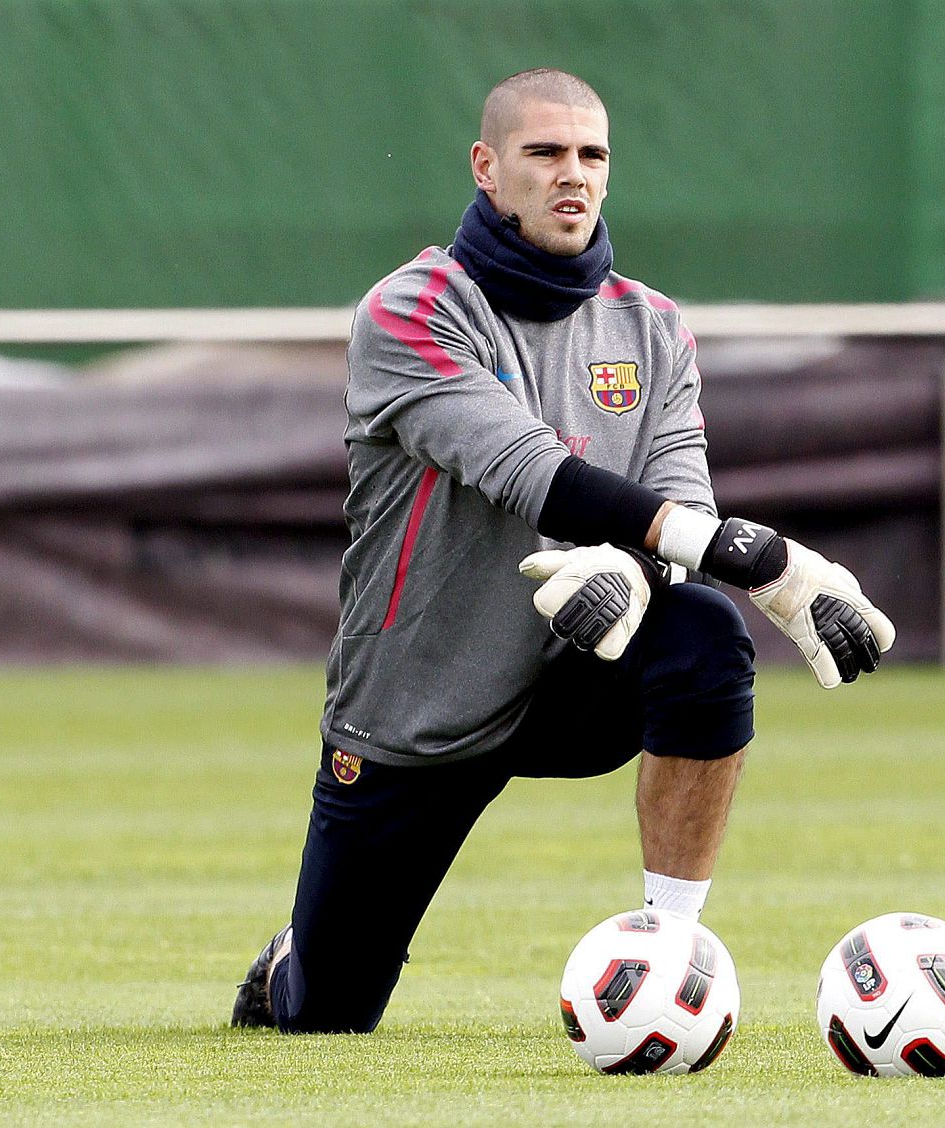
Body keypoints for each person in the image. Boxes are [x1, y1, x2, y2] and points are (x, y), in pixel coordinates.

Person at [231, 68, 894, 1033]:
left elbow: (682, 507)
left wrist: (634, 570)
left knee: (706, 635)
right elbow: (527, 471)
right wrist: (778, 566)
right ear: (487, 168)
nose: (571, 175)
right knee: (325, 1016)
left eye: (592, 155)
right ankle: (297, 960)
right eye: (544, 154)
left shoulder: (654, 326)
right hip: (424, 700)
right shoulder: (408, 312)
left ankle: (669, 951)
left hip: (578, 674)